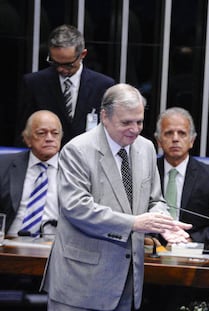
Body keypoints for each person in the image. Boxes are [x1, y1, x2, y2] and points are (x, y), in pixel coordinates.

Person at [41, 83, 192, 311]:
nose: (134, 129)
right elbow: (77, 208)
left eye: (139, 121)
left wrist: (162, 223)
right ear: (105, 116)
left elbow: (155, 200)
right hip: (81, 283)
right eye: (126, 122)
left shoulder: (146, 148)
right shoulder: (77, 150)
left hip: (127, 282)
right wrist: (134, 223)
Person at [15, 24, 115, 146]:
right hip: (46, 159)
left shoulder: (103, 86)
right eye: (55, 63)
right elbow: (23, 133)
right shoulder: (34, 83)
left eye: (68, 64)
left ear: (82, 55)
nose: (61, 69)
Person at [154, 107, 209, 244]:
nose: (175, 139)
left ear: (192, 140)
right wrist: (149, 238)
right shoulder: (148, 171)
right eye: (168, 133)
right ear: (159, 141)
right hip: (152, 247)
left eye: (182, 133)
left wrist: (190, 239)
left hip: (192, 249)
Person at [0, 110, 62, 237]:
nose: (49, 138)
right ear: (27, 139)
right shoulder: (4, 164)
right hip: (10, 243)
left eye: (55, 133)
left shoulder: (74, 169)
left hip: (55, 247)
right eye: (41, 133)